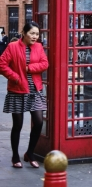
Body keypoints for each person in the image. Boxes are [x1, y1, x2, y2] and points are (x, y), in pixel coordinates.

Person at [0, 21, 48, 169]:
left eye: (37, 34)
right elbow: (2, 64)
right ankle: (15, 156)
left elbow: (45, 63)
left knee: (39, 121)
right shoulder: (13, 47)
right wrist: (15, 77)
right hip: (17, 89)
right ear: (24, 33)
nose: (35, 37)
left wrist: (29, 68)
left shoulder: (39, 47)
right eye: (32, 33)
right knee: (18, 125)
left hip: (35, 89)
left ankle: (30, 153)